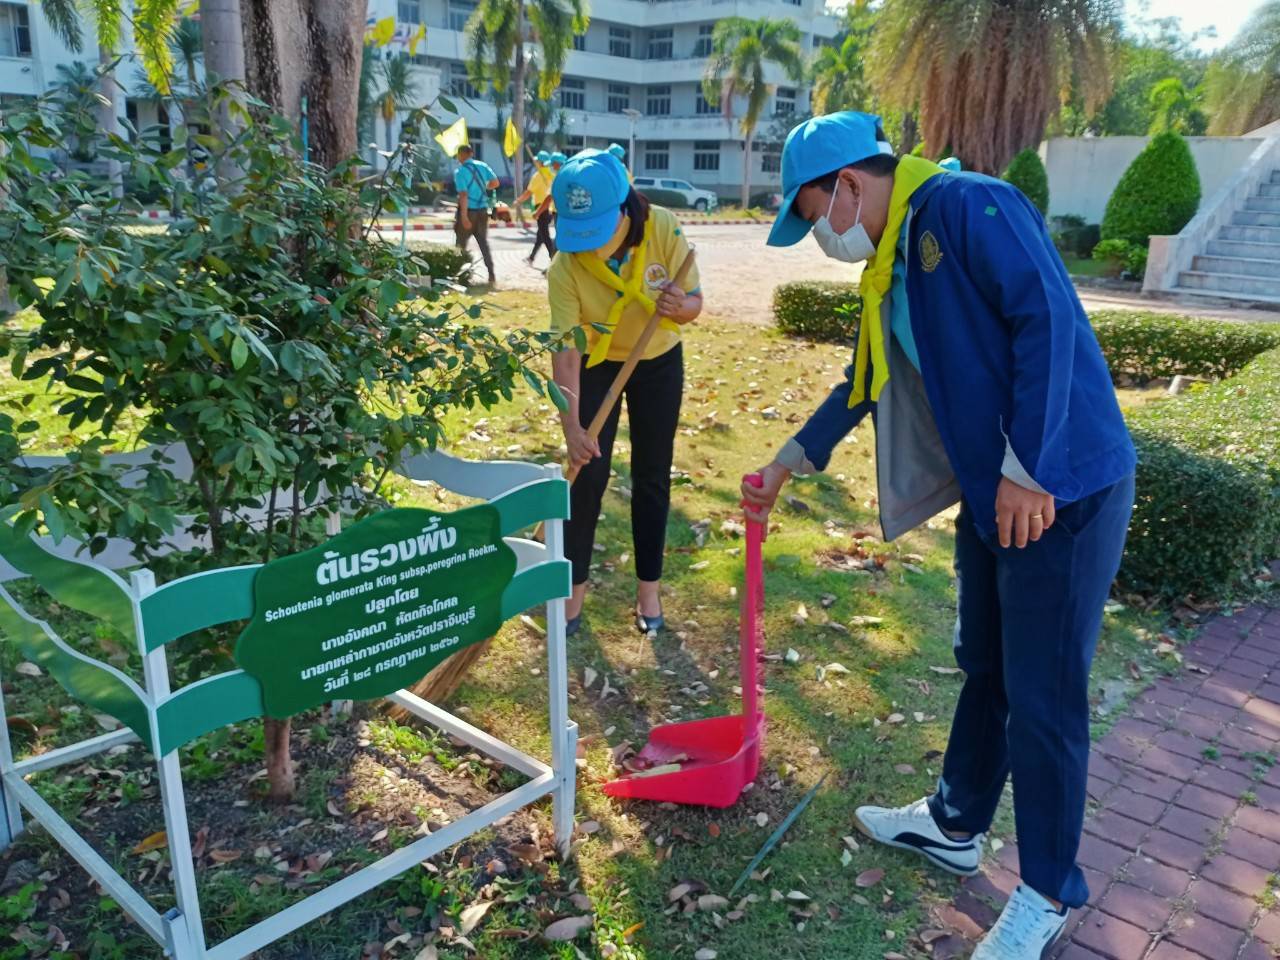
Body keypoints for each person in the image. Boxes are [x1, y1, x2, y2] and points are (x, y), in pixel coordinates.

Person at [741, 112, 1136, 960]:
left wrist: (1030, 468)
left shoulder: (969, 205)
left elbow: (1048, 320)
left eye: (813, 215)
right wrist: (785, 463)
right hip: (997, 492)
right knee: (984, 662)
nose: (820, 236)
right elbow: (863, 381)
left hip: (1059, 488)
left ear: (849, 186)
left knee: (1044, 696)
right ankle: (956, 824)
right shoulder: (888, 266)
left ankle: (1047, 892)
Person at [546, 149, 702, 636]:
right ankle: (572, 593)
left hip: (657, 359)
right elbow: (566, 350)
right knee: (586, 475)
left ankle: (648, 589)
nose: (589, 243)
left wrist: (680, 306)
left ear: (623, 207)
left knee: (652, 474)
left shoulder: (662, 228)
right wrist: (572, 426)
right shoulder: (566, 266)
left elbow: (695, 304)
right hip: (597, 363)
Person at [452, 144, 499, 285]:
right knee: (483, 243)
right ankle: (491, 274)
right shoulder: (483, 166)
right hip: (483, 211)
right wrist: (484, 187)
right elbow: (495, 183)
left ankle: (459, 275)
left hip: (469, 211)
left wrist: (464, 217)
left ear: (460, 155)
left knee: (460, 245)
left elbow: (463, 195)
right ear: (471, 153)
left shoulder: (460, 172)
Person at [516, 150, 557, 265]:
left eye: (537, 161)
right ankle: (532, 257)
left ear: (541, 162)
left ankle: (553, 257)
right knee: (541, 235)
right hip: (549, 208)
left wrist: (519, 201)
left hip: (541, 208)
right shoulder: (552, 174)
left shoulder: (538, 176)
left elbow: (529, 192)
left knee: (545, 235)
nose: (536, 163)